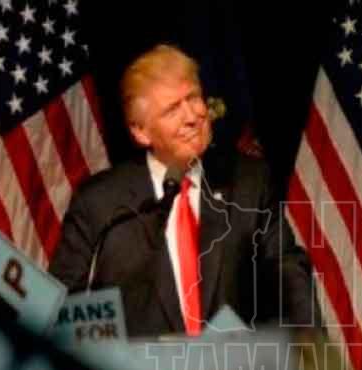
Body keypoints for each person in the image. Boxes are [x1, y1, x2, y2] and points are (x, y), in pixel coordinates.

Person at [49, 44, 318, 337]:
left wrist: (312, 348)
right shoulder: (101, 204)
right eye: (172, 109)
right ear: (140, 132)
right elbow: (61, 309)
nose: (192, 116)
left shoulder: (249, 182)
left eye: (193, 97)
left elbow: (289, 273)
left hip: (232, 364)